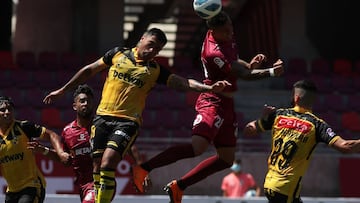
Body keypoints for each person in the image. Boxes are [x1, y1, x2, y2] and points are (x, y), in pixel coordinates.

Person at [42, 27, 231, 203]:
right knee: (97, 167)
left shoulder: (155, 70)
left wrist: (208, 87)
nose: (152, 51)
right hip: (102, 118)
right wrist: (63, 90)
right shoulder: (118, 54)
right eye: (151, 45)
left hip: (127, 122)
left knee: (108, 163)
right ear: (141, 40)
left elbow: (183, 83)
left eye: (157, 50)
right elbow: (89, 70)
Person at [131, 11, 284, 203]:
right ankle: (144, 167)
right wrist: (270, 72)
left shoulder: (223, 33)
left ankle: (179, 186)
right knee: (198, 147)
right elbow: (243, 74)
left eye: (231, 28)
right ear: (213, 31)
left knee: (227, 159)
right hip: (212, 101)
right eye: (226, 31)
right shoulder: (213, 53)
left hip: (227, 105)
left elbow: (236, 62)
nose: (230, 33)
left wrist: (249, 64)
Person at [243, 79, 360, 203]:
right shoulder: (316, 125)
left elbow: (247, 130)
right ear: (313, 101)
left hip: (270, 184)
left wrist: (263, 118)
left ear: (296, 98)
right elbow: (346, 147)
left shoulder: (279, 115)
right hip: (285, 189)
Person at [30, 84, 151, 202]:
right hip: (83, 186)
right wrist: (44, 151)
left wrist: (142, 169)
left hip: (101, 182)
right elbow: (66, 160)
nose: (86, 104)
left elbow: (130, 146)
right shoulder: (68, 132)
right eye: (82, 101)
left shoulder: (104, 126)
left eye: (88, 101)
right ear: (74, 106)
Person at [0, 96, 66, 203]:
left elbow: (51, 134)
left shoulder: (23, 127)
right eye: (2, 110)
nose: (7, 112)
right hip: (12, 190)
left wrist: (61, 152)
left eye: (10, 109)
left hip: (32, 186)